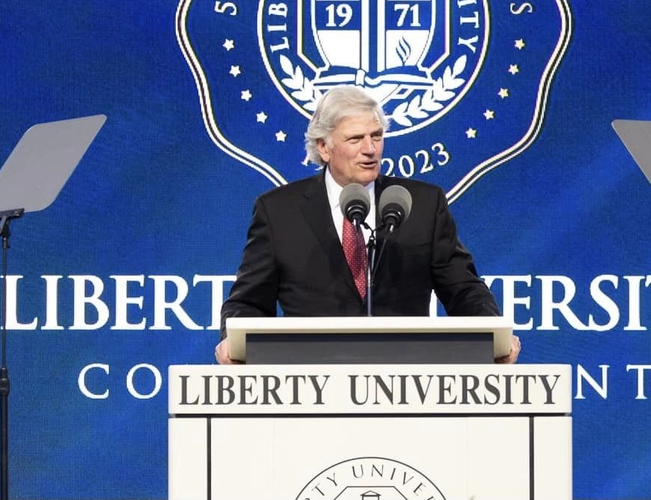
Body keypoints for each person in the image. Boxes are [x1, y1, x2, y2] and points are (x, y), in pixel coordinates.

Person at [215, 85, 520, 364]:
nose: (370, 149)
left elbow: (463, 288)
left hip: (407, 382)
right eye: (355, 139)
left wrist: (495, 336)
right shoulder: (279, 211)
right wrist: (233, 340)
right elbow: (249, 301)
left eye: (376, 136)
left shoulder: (422, 204)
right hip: (311, 383)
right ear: (324, 147)